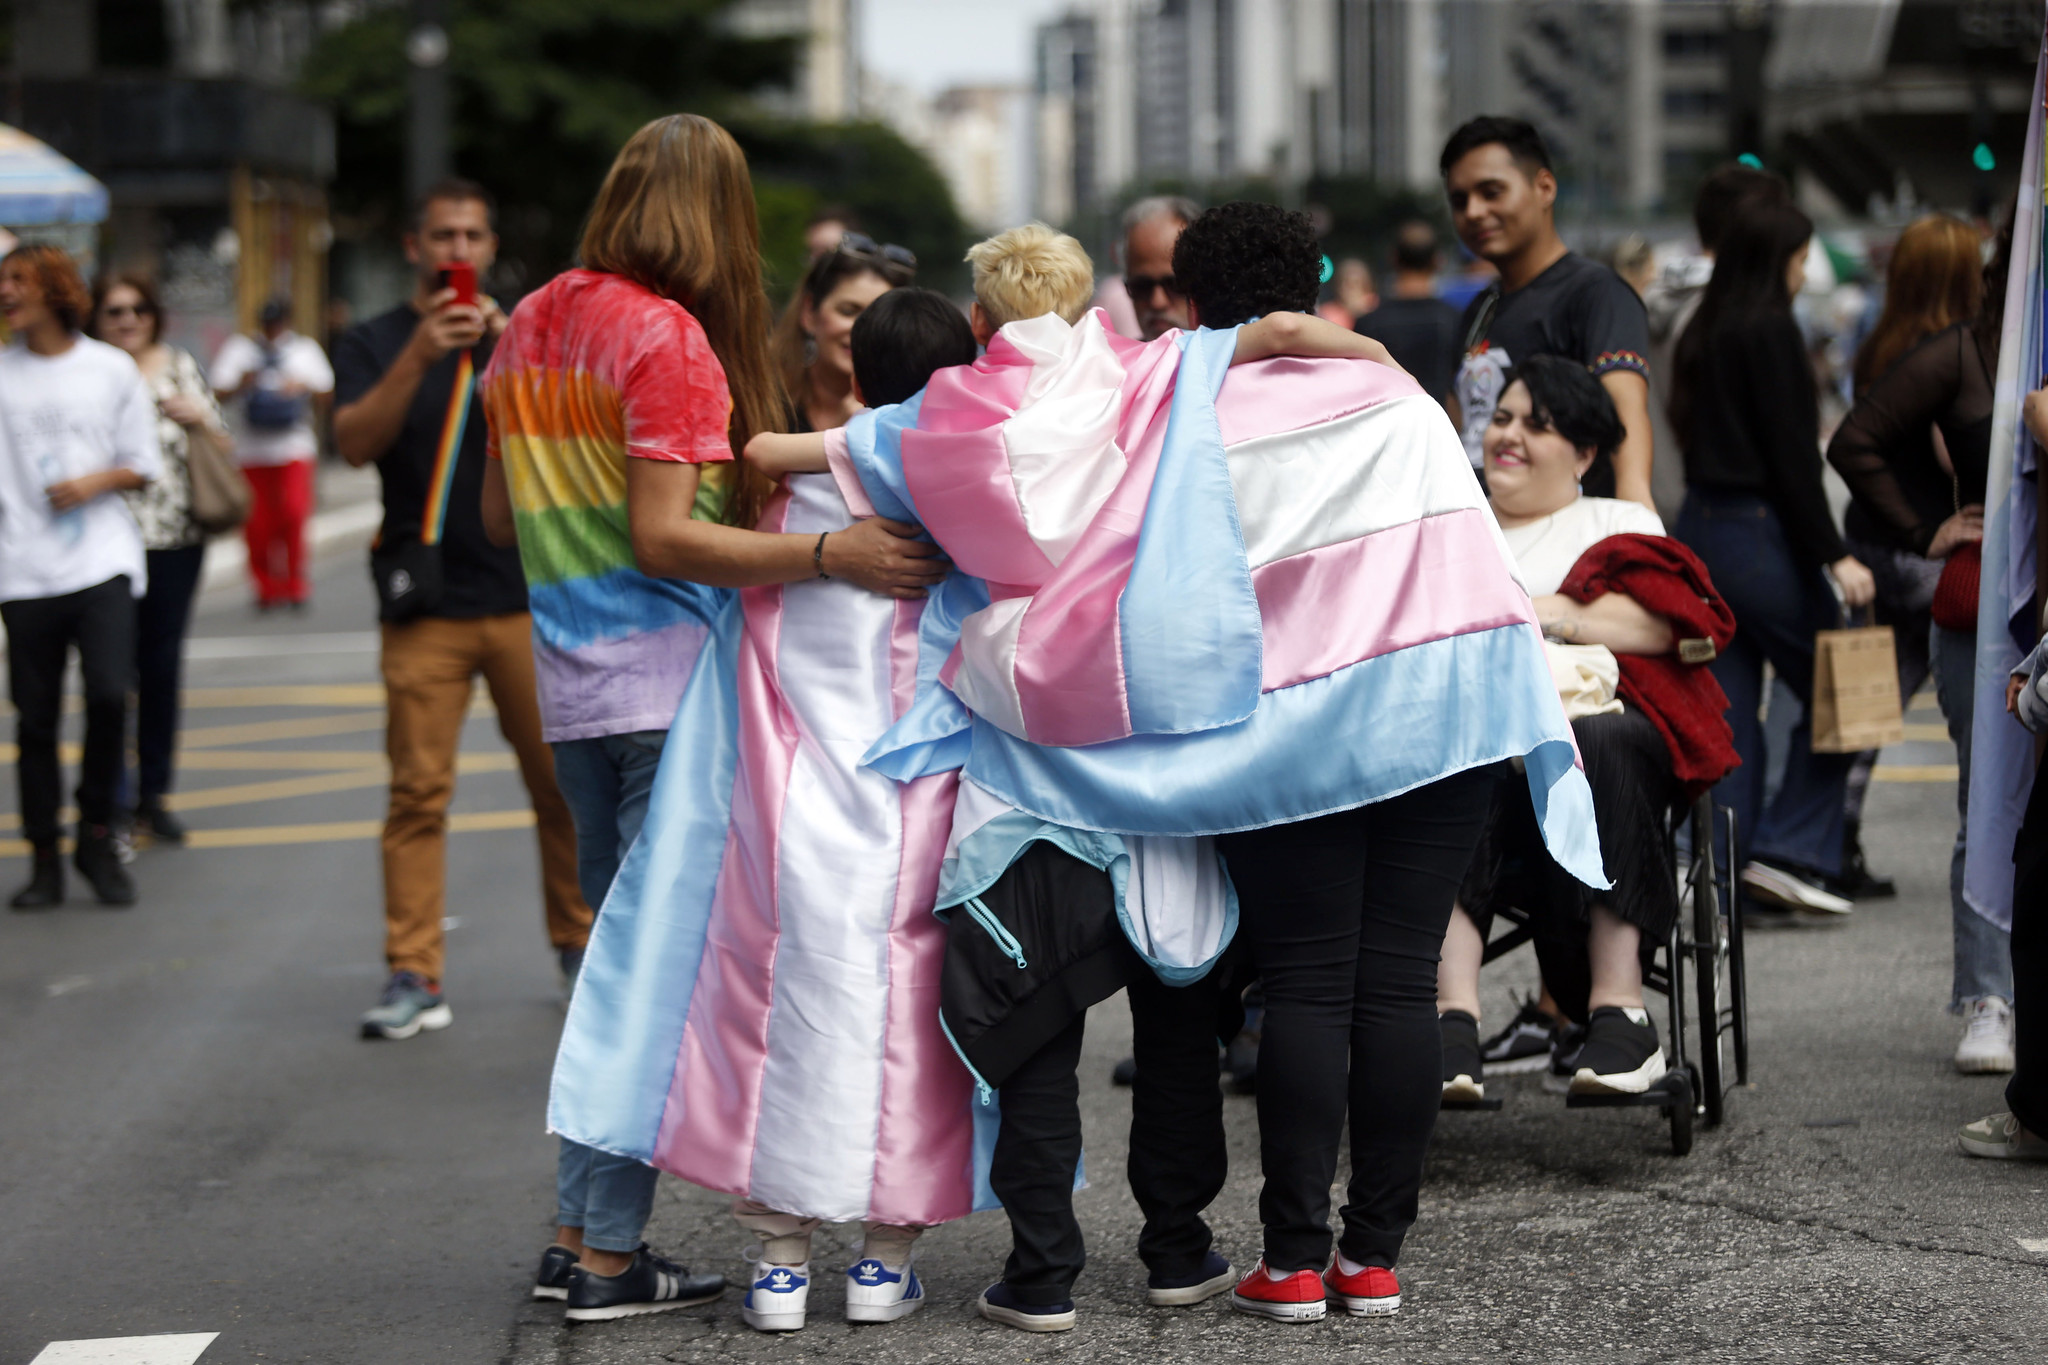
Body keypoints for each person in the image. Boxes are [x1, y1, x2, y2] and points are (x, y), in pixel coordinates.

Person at [824, 201, 1593, 1330]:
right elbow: (1465, 556)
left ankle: (1290, 1260)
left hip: (1288, 742)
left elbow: (1114, 568)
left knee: (1307, 987)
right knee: (1397, 986)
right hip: (1445, 712)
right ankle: (1370, 1259)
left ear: (1184, 299)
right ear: (1319, 279)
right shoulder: (1395, 397)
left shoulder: (1170, 399)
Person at [478, 112, 944, 1326]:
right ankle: (604, 1259)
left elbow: (493, 517)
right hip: (667, 690)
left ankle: (583, 1233)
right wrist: (829, 554)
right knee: (656, 975)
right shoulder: (665, 337)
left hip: (567, 689)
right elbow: (665, 536)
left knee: (616, 966)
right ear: (715, 217)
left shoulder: (529, 322)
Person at [329, 178, 594, 1042]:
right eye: (442, 235)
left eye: (473, 236)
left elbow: (572, 441)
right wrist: (421, 354)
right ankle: (414, 971)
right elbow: (356, 442)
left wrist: (508, 347)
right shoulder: (373, 341)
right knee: (416, 792)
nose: (458, 250)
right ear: (414, 246)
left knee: (563, 788)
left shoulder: (523, 335)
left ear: (490, 247)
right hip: (425, 608)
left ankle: (580, 949)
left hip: (528, 594)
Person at [1438, 356, 1736, 1103]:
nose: (1508, 435)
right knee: (1458, 742)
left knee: (1599, 735)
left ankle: (1620, 1011)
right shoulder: (1451, 521)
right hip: (1484, 762)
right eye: (1502, 417)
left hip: (1598, 762)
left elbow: (1672, 626)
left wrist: (1534, 611)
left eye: (1536, 425)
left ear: (1584, 454)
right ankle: (1450, 1023)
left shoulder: (1618, 521)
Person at [1827, 216, 2010, 1071]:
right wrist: (1927, 528)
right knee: (1988, 796)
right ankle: (1989, 996)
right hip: (1972, 593)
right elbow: (1854, 441)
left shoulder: (1936, 342)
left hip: (1941, 580)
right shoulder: (1960, 350)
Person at [1671, 199, 1875, 921]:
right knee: (1848, 691)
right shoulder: (1773, 332)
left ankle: (1723, 883)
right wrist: (1834, 554)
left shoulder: (1706, 328)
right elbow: (1793, 459)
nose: (1801, 272)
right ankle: (1787, 851)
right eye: (1798, 260)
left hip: (1700, 529)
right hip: (1760, 534)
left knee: (1730, 721)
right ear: (1777, 261)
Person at [0, 246, 161, 908]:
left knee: (105, 694)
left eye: (18, 280)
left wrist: (94, 480)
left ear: (56, 289)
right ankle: (44, 856)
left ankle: (97, 832)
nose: (6, 291)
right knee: (34, 721)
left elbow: (142, 461)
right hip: (24, 570)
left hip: (102, 562)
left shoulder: (109, 369)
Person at [1837, 215, 1987, 901]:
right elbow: (1948, 452)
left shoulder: (1881, 341)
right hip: (1921, 546)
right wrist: (1933, 528)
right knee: (1976, 690)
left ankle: (1833, 836)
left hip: (1872, 539)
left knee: (1875, 697)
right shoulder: (1946, 352)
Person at [1441, 116, 1655, 510]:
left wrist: (1637, 521)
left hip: (1566, 542)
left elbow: (1626, 410)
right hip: (1486, 538)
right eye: (1459, 200)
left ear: (1544, 188)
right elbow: (1460, 427)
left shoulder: (1597, 293)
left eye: (1491, 192)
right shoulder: (1479, 307)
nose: (1473, 211)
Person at [88, 272, 227, 845]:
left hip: (175, 540)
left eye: (138, 310)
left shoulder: (178, 366)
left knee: (163, 668)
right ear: (96, 318)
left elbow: (221, 445)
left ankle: (154, 795)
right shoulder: (89, 372)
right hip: (106, 547)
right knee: (111, 675)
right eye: (115, 311)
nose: (127, 320)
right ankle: (111, 797)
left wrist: (199, 419)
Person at [210, 296, 332, 610]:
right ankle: (265, 588)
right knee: (258, 524)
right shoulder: (241, 350)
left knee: (292, 515)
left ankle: (294, 584)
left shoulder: (304, 350)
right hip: (251, 451)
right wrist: (243, 383)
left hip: (294, 448)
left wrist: (300, 386)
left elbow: (327, 391)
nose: (272, 328)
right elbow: (217, 392)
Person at [771, 237, 914, 433]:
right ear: (809, 313)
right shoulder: (764, 397)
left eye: (879, 316)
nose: (862, 330)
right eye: (848, 311)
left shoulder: (909, 414)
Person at [1356, 220, 1462, 413]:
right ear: (1437, 261)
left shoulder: (1368, 324)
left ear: (1393, 258)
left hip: (1386, 430)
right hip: (1440, 429)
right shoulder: (1454, 319)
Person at [1113, 195, 1198, 341]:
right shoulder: (1114, 363)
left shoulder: (1237, 361)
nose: (1157, 302)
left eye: (1175, 285)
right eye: (1141, 286)